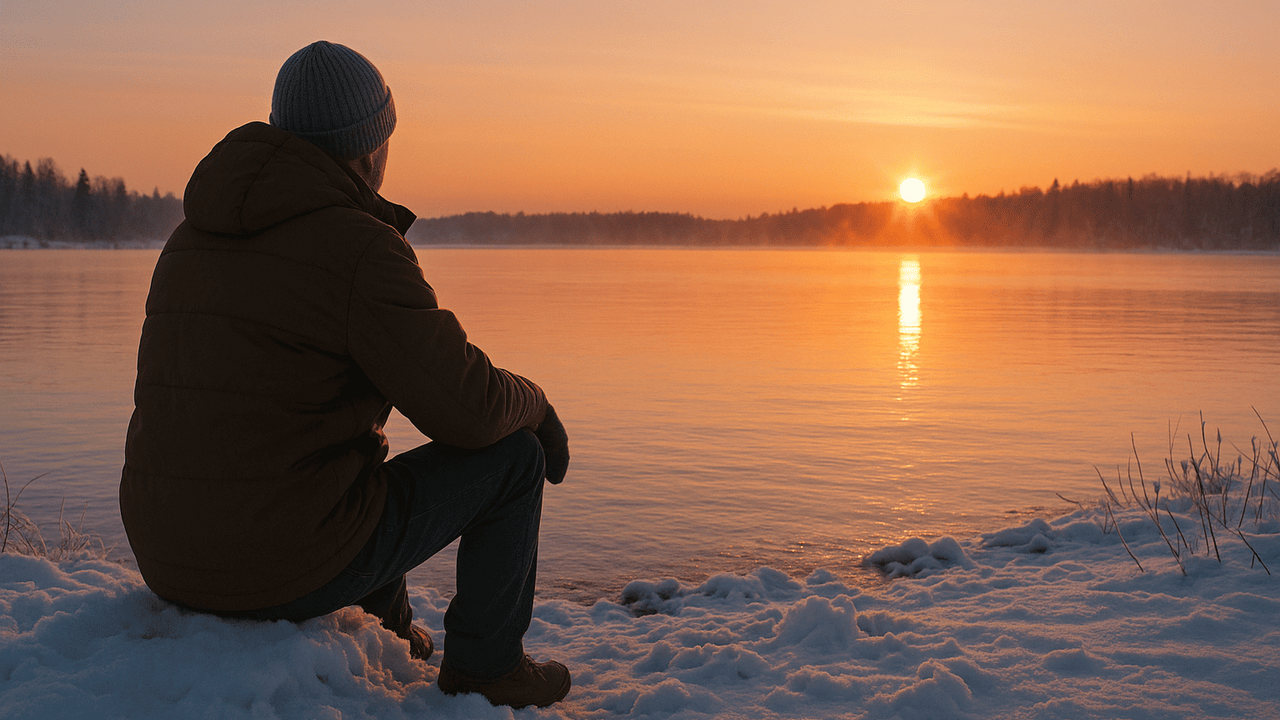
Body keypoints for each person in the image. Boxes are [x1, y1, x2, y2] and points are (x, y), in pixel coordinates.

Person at [119, 40, 571, 709]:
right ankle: (488, 667)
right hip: (272, 565)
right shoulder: (359, 247)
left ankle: (387, 630)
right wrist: (533, 403)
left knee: (336, 459)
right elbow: (467, 409)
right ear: (369, 148)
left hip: (167, 555)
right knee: (513, 458)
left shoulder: (189, 238)